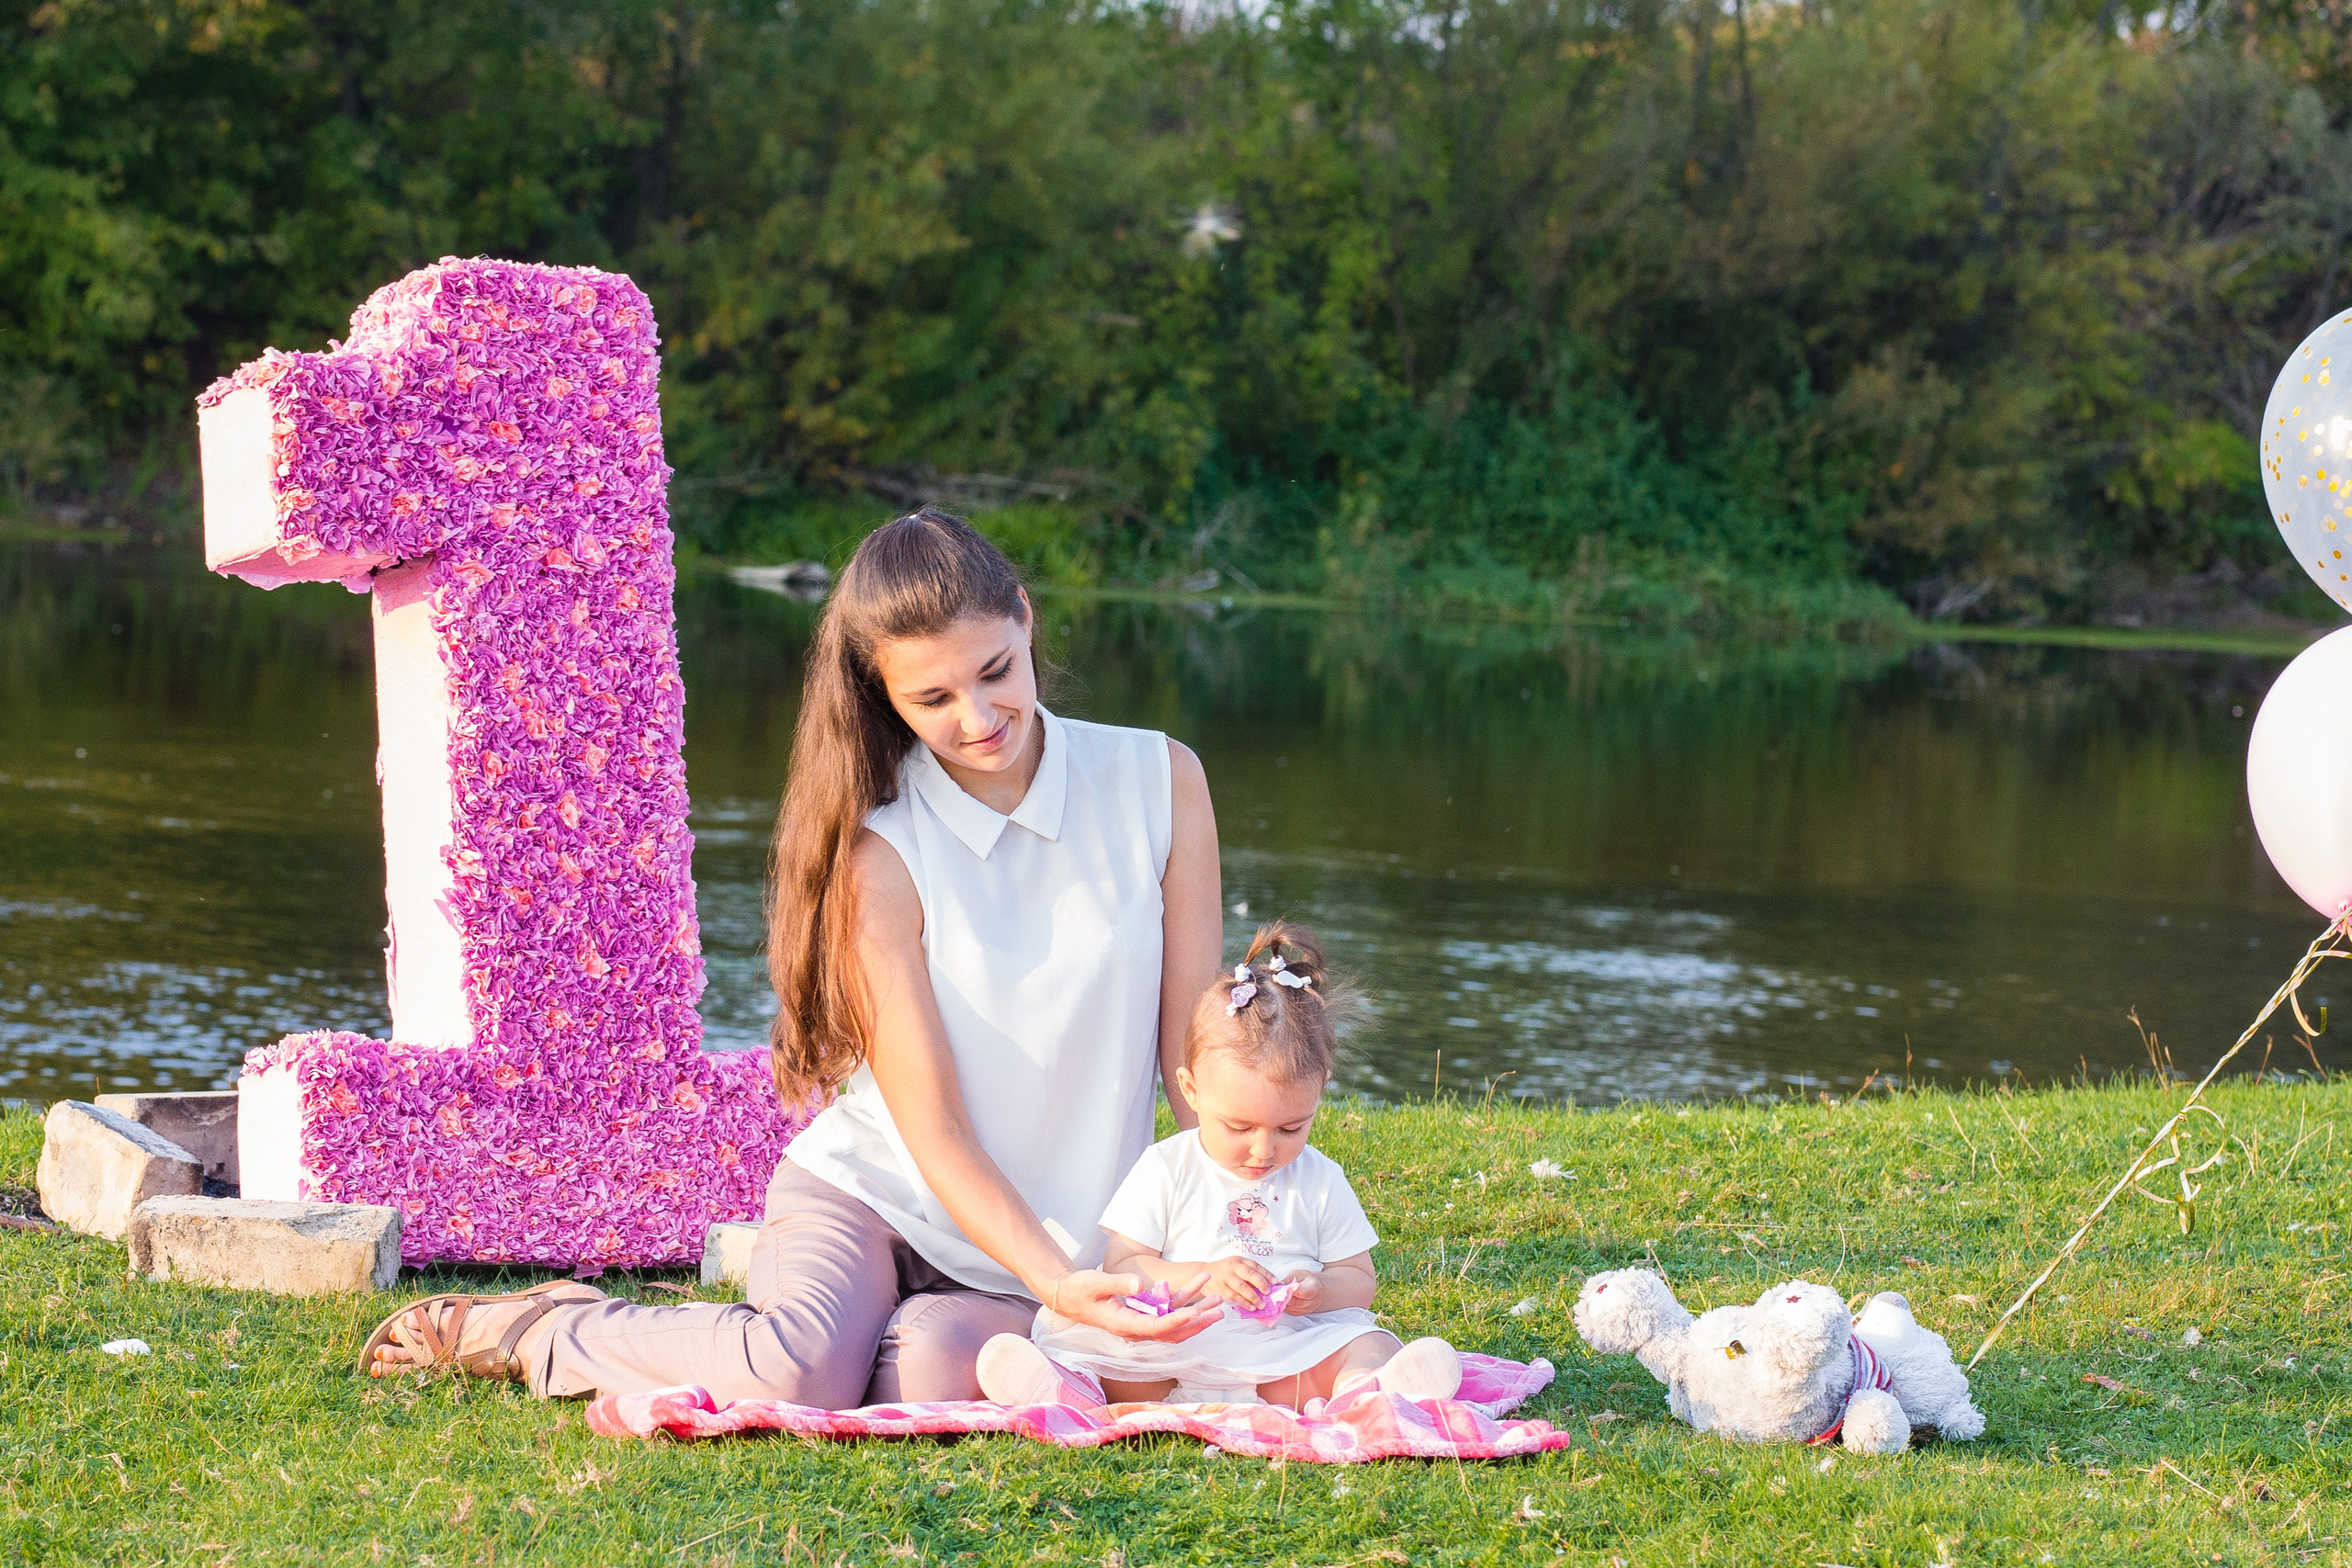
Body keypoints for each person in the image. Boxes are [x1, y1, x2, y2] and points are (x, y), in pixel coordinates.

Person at [362, 507, 1228, 1404]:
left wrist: (1235, 1224)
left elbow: (1192, 1064)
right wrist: (1055, 1286)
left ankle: (893, 1341)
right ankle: (542, 1324)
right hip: (877, 1198)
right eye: (931, 699)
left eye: (994, 672)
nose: (977, 719)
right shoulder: (881, 854)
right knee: (801, 1370)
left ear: (1023, 615)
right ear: (881, 693)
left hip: (1047, 1239)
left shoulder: (1159, 782)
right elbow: (931, 1131)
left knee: (937, 1369)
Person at [974, 922, 1463, 1410]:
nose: (1263, 1150)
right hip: (1170, 1347)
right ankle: (1065, 1391)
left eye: (1291, 1128)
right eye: (1239, 1127)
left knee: (1369, 1345)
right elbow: (1125, 1265)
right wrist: (1206, 1273)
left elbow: (1359, 1280)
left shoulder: (1319, 1179)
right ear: (1190, 1091)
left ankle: (1366, 1394)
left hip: (1282, 1354)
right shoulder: (1167, 1167)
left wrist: (1318, 1290)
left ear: (1320, 1090)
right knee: (1096, 1349)